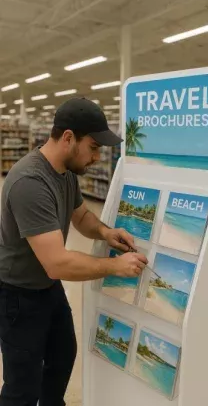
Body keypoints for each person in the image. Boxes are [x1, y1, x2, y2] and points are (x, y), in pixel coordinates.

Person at [0, 97, 148, 406]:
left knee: (62, 356)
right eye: (94, 147)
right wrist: (114, 266)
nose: (97, 157)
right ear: (69, 138)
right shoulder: (30, 181)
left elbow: (80, 216)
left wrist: (107, 232)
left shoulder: (65, 173)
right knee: (22, 384)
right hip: (18, 295)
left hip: (47, 288)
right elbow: (57, 263)